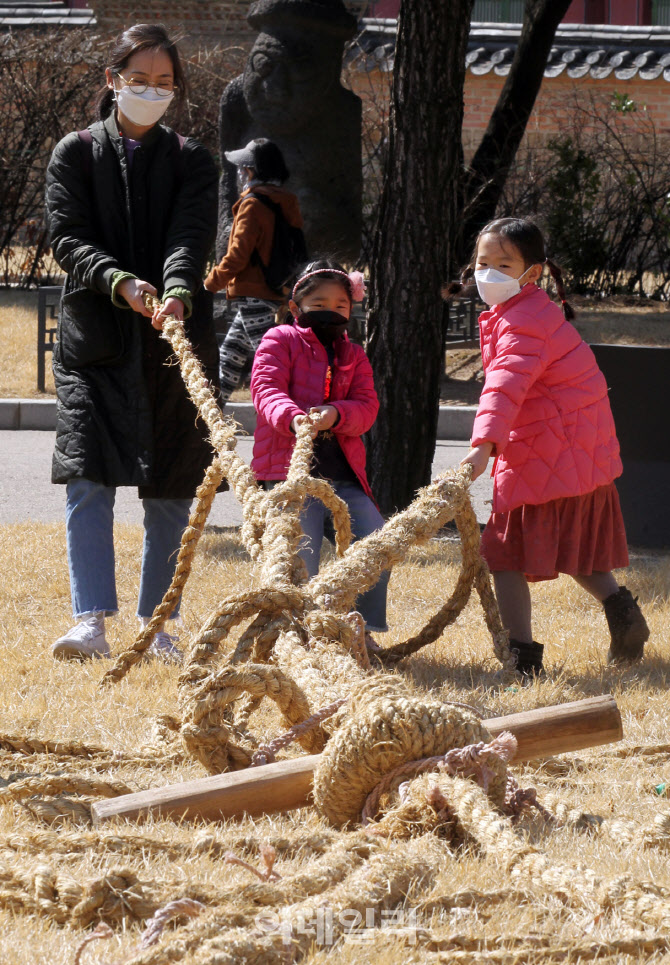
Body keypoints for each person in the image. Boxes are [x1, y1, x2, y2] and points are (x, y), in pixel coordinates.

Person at [45, 23, 219, 662]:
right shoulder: (75, 153)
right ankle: (89, 621)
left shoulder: (193, 160)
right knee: (87, 477)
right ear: (112, 80)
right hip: (95, 341)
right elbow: (67, 237)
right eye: (139, 79)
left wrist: (175, 291)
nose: (151, 91)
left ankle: (159, 626)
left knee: (172, 486)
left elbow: (190, 236)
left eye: (164, 82)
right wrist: (118, 282)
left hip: (172, 337)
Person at [451, 217, 649, 676]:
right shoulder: (530, 311)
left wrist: (483, 445)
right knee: (573, 546)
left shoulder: (523, 322)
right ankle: (624, 614)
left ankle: (521, 660)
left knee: (504, 555)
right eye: (482, 262)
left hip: (547, 450)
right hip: (573, 451)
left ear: (532, 272)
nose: (488, 273)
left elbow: (504, 385)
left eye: (503, 265)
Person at [250, 258, 389, 638]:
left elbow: (367, 407)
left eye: (341, 304)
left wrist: (336, 414)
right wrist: (293, 418)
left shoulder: (353, 355)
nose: (331, 311)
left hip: (342, 474)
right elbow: (265, 389)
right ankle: (298, 634)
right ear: (296, 308)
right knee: (301, 558)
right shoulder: (279, 340)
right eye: (320, 303)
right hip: (290, 473)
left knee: (377, 542)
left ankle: (362, 631)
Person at [204, 138, 304, 404]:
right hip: (277, 288)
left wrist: (208, 285)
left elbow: (237, 257)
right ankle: (211, 413)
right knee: (231, 353)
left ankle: (294, 411)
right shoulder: (285, 201)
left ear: (250, 171)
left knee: (272, 359)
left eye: (242, 168)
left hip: (254, 293)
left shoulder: (252, 204)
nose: (239, 173)